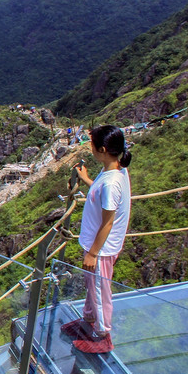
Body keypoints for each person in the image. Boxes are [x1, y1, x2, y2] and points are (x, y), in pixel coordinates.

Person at [60, 125, 132, 353]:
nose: (89, 147)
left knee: (100, 289)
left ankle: (103, 335)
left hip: (101, 249)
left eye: (91, 144)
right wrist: (88, 179)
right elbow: (102, 194)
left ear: (102, 149)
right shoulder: (113, 169)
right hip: (97, 245)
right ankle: (89, 320)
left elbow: (108, 222)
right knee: (93, 285)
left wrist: (92, 253)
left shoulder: (111, 182)